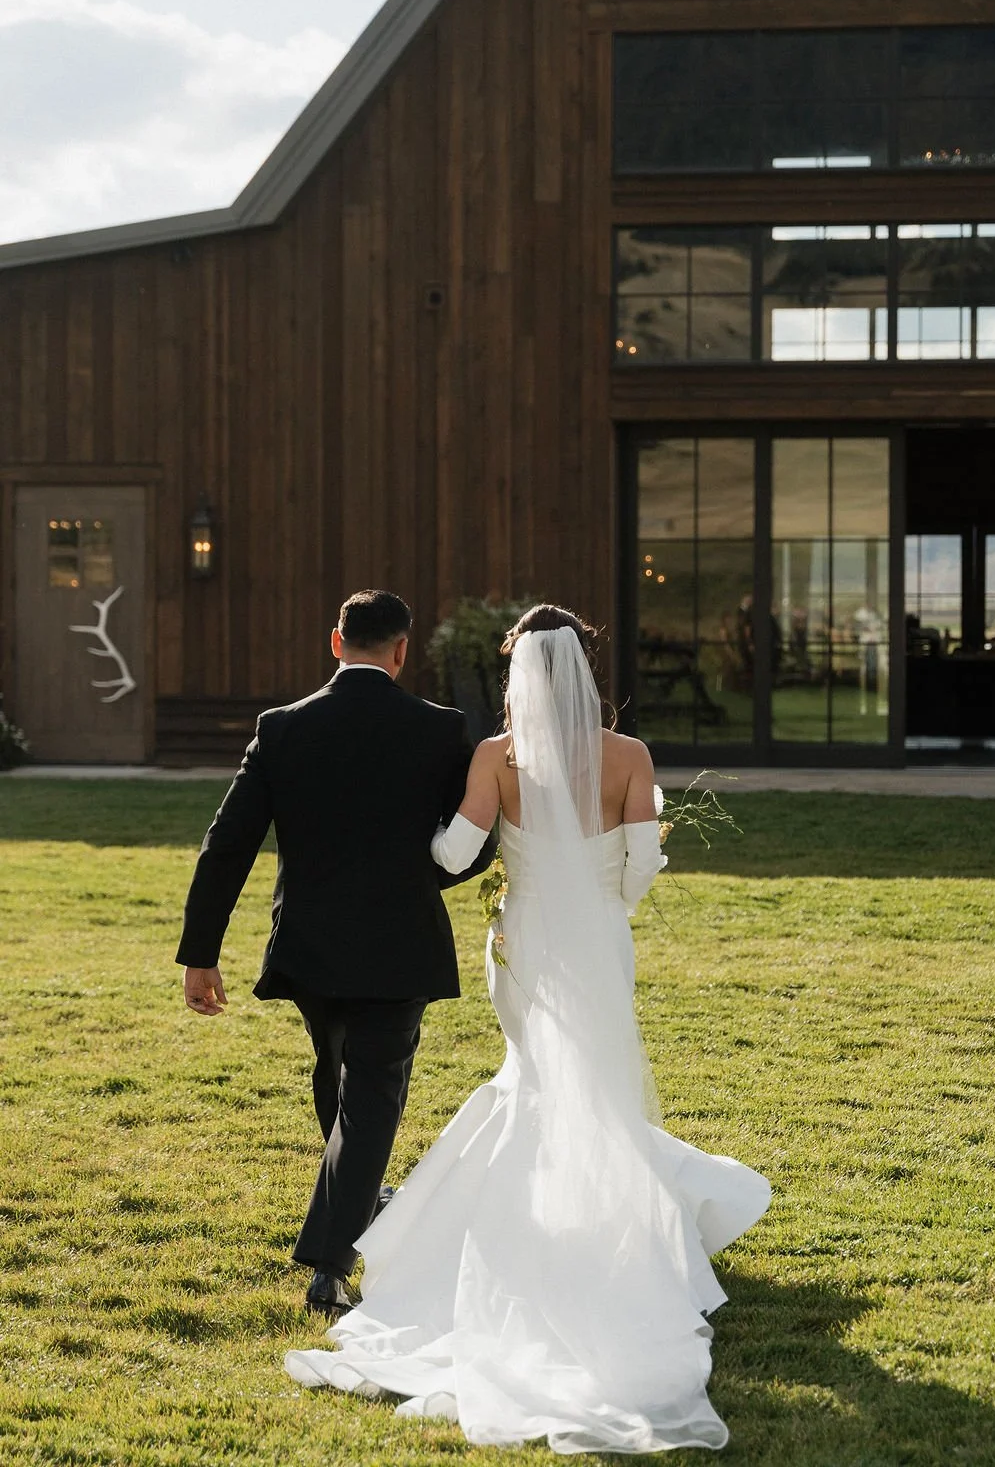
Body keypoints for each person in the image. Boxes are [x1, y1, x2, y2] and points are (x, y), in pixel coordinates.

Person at [285, 603, 771, 1452]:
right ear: (584, 668)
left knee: (535, 1079)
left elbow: (448, 854)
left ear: (516, 676)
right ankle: (607, 1231)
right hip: (598, 945)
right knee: (595, 1082)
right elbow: (643, 863)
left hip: (521, 943)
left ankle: (524, 1232)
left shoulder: (496, 757)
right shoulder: (631, 757)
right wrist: (601, 911)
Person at [175, 589, 494, 1317]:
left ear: (335, 642)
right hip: (400, 941)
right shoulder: (442, 729)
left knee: (340, 1076)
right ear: (403, 649)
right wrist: (428, 879)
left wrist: (201, 952)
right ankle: (328, 1265)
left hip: (310, 945)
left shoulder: (282, 728)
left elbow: (228, 845)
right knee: (371, 1096)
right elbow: (473, 841)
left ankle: (352, 1207)